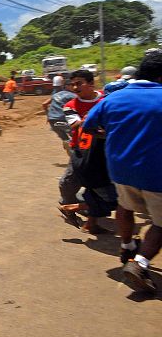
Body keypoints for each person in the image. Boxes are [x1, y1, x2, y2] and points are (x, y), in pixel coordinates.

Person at [82, 51, 162, 293]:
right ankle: (140, 264)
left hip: (120, 169)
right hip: (155, 173)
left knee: (124, 208)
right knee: (160, 223)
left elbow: (89, 126)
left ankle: (127, 246)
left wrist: (112, 136)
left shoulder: (113, 99)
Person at [56, 69, 106, 232]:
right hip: (81, 150)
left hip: (104, 150)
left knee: (99, 186)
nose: (75, 87)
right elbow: (75, 125)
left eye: (79, 83)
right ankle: (69, 207)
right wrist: (91, 117)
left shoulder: (106, 100)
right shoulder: (70, 105)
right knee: (68, 183)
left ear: (91, 83)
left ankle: (92, 222)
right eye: (73, 84)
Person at [42, 81, 77, 150]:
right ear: (66, 86)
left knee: (65, 139)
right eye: (72, 85)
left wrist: (48, 115)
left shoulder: (56, 94)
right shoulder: (72, 95)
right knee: (76, 136)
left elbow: (44, 104)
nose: (74, 87)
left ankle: (68, 145)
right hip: (63, 119)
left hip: (52, 120)